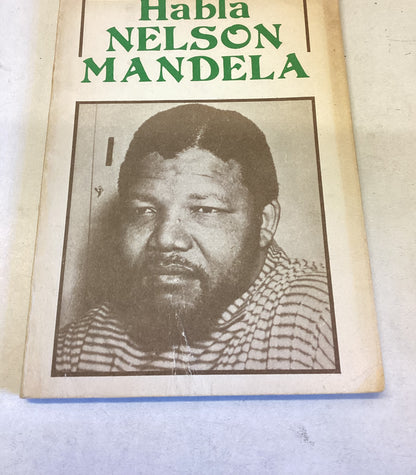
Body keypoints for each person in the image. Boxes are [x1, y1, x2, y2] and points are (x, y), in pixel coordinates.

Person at [55, 103, 336, 374]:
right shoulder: (80, 347)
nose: (165, 238)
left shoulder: (321, 323)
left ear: (264, 222)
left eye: (204, 210)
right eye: (143, 211)